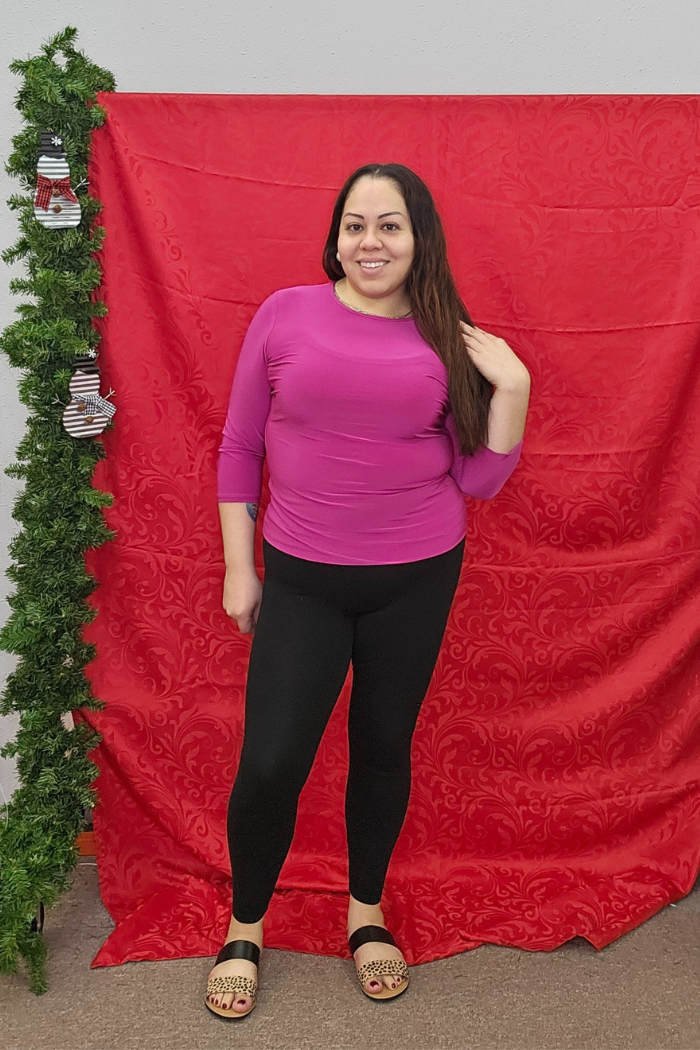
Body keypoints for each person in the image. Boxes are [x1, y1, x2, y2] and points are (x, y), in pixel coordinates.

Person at [204, 163, 531, 1019]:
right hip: (303, 578)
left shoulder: (448, 337)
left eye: (389, 225)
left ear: (419, 238)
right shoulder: (285, 314)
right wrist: (242, 567)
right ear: (336, 237)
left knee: (383, 748)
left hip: (417, 578)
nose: (370, 241)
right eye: (355, 224)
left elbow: (480, 480)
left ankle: (366, 915)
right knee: (272, 760)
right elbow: (240, 448)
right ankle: (246, 925)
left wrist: (516, 390)